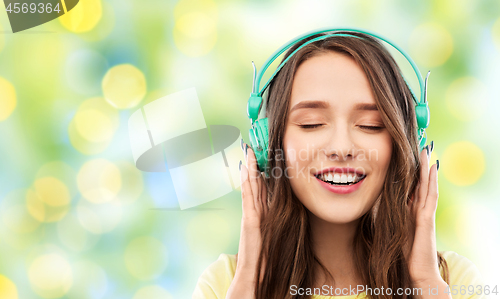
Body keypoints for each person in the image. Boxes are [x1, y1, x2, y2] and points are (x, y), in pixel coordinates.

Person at [192, 31, 487, 299]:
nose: (341, 148)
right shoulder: (225, 284)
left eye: (371, 126)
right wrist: (247, 286)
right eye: (312, 124)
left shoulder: (451, 281)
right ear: (269, 146)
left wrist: (424, 284)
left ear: (404, 148)